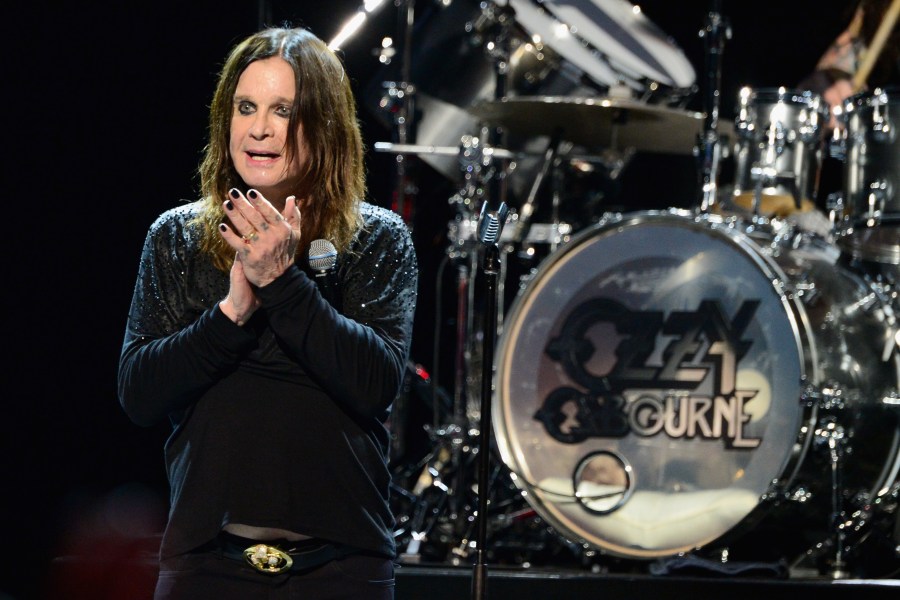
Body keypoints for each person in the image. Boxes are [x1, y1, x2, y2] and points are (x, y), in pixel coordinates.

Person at [117, 26, 418, 599]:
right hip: (207, 567)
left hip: (340, 570)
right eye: (246, 107)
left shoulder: (377, 238)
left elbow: (375, 382)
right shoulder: (177, 237)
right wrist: (231, 312)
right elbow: (139, 393)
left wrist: (282, 283)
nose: (258, 129)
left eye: (283, 110)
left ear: (323, 125)